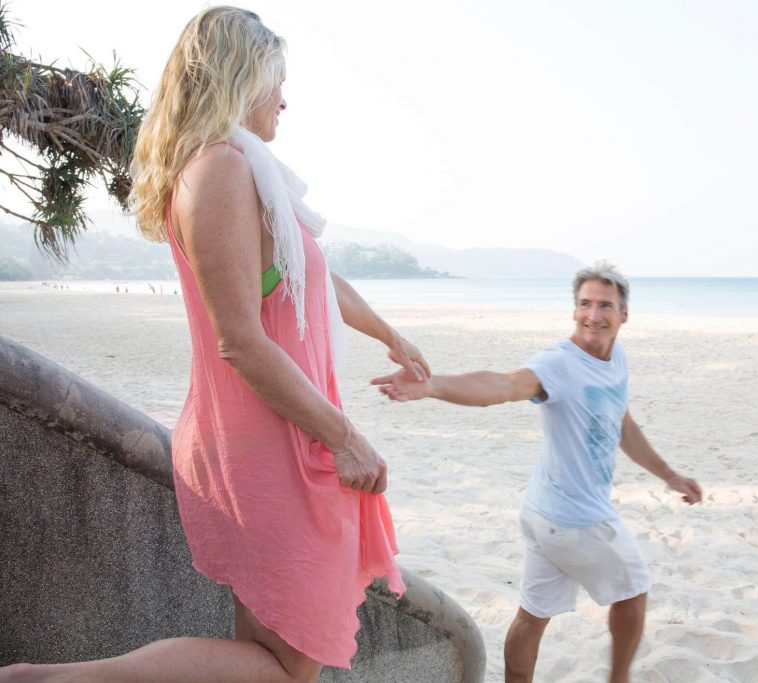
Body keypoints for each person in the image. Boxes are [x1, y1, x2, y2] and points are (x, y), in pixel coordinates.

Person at [0, 7, 426, 683]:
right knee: (288, 670)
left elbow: (311, 279)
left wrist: (389, 335)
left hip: (271, 434)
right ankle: (44, 680)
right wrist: (343, 435)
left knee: (264, 661)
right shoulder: (221, 168)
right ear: (241, 74)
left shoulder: (241, 171)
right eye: (276, 79)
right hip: (263, 441)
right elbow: (241, 342)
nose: (285, 98)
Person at [372, 262, 703, 683]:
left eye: (605, 305)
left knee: (533, 616)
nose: (593, 315)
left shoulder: (615, 358)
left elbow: (623, 425)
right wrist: (434, 385)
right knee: (633, 592)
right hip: (574, 519)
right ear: (573, 311)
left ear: (624, 314)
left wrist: (669, 475)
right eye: (584, 304)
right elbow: (502, 385)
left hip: (542, 513)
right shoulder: (560, 364)